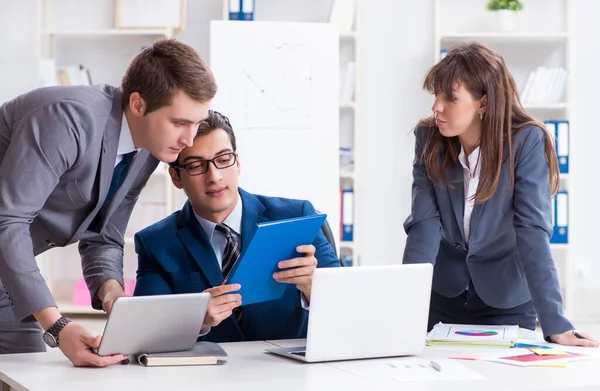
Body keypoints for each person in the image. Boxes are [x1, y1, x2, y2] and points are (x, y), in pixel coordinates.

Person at [0, 39, 217, 365]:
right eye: (179, 123)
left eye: (197, 123)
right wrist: (58, 326)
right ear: (139, 104)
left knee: (28, 378)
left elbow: (103, 234)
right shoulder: (68, 119)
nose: (189, 139)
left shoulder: (148, 149)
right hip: (11, 261)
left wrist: (114, 295)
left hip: (7, 281)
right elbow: (8, 220)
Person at [403, 42, 597, 347]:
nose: (436, 107)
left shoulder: (526, 142)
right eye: (435, 95)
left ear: (483, 103)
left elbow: (532, 232)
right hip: (443, 296)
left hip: (505, 299)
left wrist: (556, 323)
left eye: (449, 98)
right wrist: (404, 311)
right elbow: (424, 226)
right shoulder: (429, 139)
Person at [133, 110, 340, 342]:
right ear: (176, 177)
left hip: (290, 373)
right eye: (196, 165)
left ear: (237, 163)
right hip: (206, 375)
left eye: (223, 160)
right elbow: (144, 332)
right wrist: (195, 318)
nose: (214, 176)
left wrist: (314, 287)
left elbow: (347, 306)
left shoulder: (296, 216)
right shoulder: (156, 242)